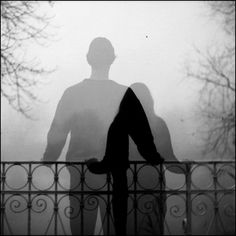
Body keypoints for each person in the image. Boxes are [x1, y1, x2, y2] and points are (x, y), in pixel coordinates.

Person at [41, 37, 129, 235]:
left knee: (81, 230)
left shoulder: (72, 93)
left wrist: (49, 159)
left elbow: (58, 130)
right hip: (115, 173)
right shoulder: (123, 94)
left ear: (88, 59)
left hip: (81, 172)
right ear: (112, 60)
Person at [86, 86, 164, 236]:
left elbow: (109, 162)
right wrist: (156, 158)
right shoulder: (126, 120)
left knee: (121, 218)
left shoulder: (118, 125)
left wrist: (92, 165)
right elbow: (143, 140)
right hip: (138, 188)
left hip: (122, 184)